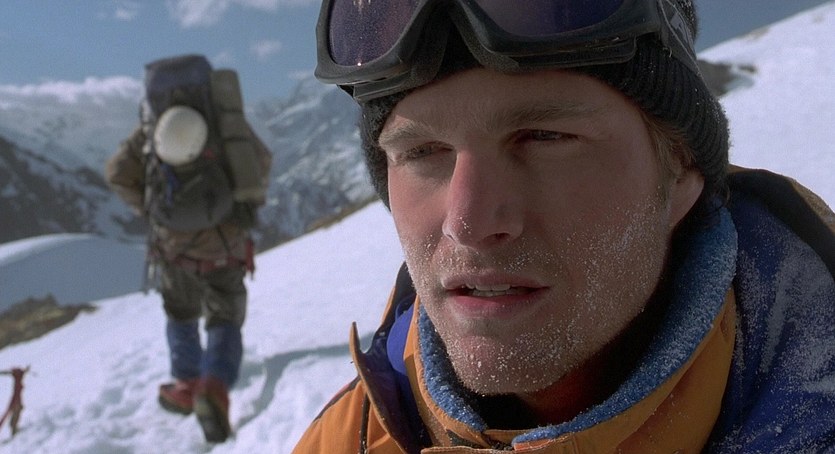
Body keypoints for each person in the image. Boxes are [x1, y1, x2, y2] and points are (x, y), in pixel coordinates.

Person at [294, 0, 835, 452]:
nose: (469, 223)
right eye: (422, 151)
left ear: (681, 171)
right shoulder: (348, 438)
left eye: (544, 137)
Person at [105, 55, 271, 443]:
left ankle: (186, 384)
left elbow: (117, 173)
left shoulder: (150, 129)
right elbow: (259, 162)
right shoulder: (224, 121)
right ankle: (215, 386)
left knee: (180, 313)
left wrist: (150, 210)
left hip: (173, 248)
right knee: (224, 315)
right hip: (225, 244)